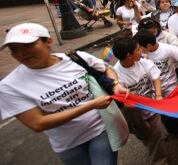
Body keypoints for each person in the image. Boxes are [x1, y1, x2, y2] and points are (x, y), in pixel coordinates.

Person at [0, 23, 127, 164]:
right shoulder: (10, 86)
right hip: (67, 145)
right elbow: (37, 123)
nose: (21, 53)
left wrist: (116, 84)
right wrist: (91, 105)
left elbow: (106, 69)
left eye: (27, 45)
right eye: (14, 49)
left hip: (100, 130)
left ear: (48, 41)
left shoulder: (75, 58)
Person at [112, 37, 170, 164]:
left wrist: (158, 95)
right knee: (145, 136)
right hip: (133, 114)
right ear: (129, 55)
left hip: (151, 109)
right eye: (138, 49)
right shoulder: (116, 74)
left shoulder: (143, 62)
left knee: (156, 136)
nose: (142, 51)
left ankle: (159, 162)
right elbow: (121, 101)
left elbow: (155, 77)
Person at [134, 31, 178, 137]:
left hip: (171, 86)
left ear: (148, 45)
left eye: (140, 48)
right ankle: (173, 131)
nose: (139, 51)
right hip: (154, 90)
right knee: (164, 114)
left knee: (175, 110)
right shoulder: (141, 55)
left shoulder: (167, 49)